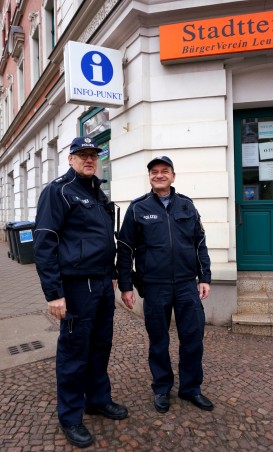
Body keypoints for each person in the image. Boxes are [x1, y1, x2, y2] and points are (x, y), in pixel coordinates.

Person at [33, 136, 128, 448]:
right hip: (76, 288)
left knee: (100, 347)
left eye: (93, 155)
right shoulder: (58, 191)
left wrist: (112, 274)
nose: (89, 159)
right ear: (70, 159)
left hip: (101, 284)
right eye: (82, 154)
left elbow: (102, 240)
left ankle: (97, 400)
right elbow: (45, 244)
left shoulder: (97, 194)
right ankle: (70, 416)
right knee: (74, 353)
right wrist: (54, 293)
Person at [116, 156, 213, 414]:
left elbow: (200, 243)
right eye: (154, 172)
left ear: (173, 176)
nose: (159, 175)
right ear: (149, 177)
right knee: (158, 340)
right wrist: (126, 285)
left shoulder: (187, 206)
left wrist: (205, 277)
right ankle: (161, 388)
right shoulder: (138, 208)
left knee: (192, 339)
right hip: (155, 286)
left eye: (164, 171)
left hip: (185, 285)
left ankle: (191, 388)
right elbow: (125, 249)